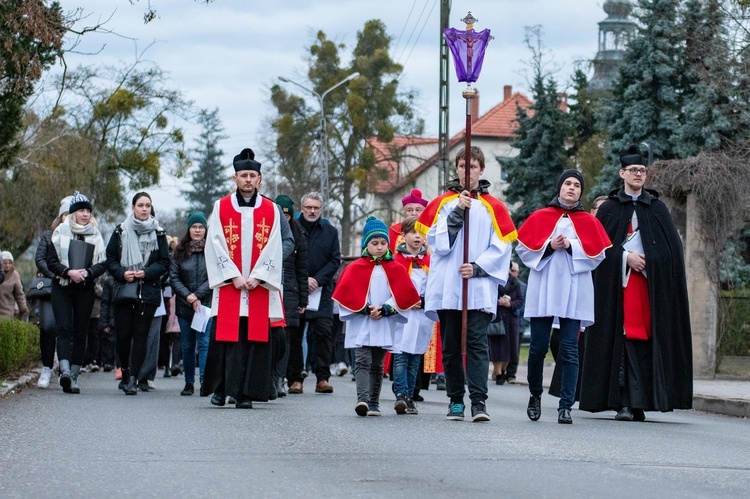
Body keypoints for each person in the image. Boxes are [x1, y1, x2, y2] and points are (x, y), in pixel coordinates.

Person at [579, 146, 693, 421]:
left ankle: (641, 401)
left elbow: (672, 252)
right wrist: (625, 257)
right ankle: (623, 403)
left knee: (643, 340)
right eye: (633, 170)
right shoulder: (608, 209)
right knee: (622, 339)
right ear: (622, 173)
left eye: (642, 170)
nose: (639, 174)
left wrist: (650, 261)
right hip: (617, 290)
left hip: (647, 289)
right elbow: (599, 249)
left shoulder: (657, 209)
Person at [417, 146, 517, 422]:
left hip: (477, 287)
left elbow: (502, 247)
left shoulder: (493, 207)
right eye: (462, 166)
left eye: (473, 167)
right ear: (457, 169)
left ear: (481, 169)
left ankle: (479, 401)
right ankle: (455, 400)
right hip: (449, 285)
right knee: (450, 346)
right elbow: (438, 244)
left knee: (476, 344)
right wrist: (457, 213)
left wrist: (477, 267)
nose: (467, 171)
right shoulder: (443, 204)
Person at [515, 170, 611, 424]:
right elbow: (523, 250)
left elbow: (598, 256)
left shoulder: (589, 221)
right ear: (559, 188)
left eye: (577, 185)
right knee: (537, 349)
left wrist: (571, 246)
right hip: (544, 286)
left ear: (581, 191)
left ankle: (565, 405)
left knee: (569, 350)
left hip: (575, 288)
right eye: (567, 183)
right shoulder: (541, 216)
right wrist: (549, 246)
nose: (572, 188)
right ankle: (535, 394)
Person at [201, 148, 293, 409]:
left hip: (258, 287)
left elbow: (277, 245)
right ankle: (221, 389)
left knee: (254, 341)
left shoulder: (272, 210)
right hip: (231, 285)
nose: (248, 180)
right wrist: (232, 276)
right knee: (226, 339)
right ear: (235, 179)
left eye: (253, 175)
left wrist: (259, 276)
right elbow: (214, 243)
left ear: (260, 179)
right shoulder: (221, 207)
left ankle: (245, 394)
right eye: (244, 175)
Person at [333, 216, 420, 417]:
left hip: (384, 321)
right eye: (375, 243)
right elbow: (347, 294)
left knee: (377, 363)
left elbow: (402, 294)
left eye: (383, 243)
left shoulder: (396, 268)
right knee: (362, 360)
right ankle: (362, 399)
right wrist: (365, 309)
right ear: (366, 244)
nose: (379, 247)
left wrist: (387, 309)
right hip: (362, 321)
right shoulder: (355, 267)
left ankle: (374, 402)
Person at [105, 192, 170, 396]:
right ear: (133, 207)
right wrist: (123, 273)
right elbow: (110, 259)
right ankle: (124, 371)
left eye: (148, 206)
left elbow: (165, 262)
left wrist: (147, 272)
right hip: (125, 290)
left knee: (141, 336)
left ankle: (134, 378)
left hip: (148, 292)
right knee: (124, 336)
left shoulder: (159, 233)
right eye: (140, 205)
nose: (144, 209)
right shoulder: (120, 231)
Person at [47, 192, 108, 393]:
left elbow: (102, 264)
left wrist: (88, 272)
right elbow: (51, 261)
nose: (85, 214)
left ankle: (73, 377)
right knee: (64, 329)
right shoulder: (59, 232)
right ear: (72, 212)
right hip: (63, 286)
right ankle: (64, 371)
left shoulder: (96, 235)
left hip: (85, 288)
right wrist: (68, 272)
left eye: (88, 211)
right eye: (81, 210)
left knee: (81, 332)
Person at [287, 191, 341, 395]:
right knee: (294, 334)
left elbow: (335, 260)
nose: (312, 211)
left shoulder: (330, 231)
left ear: (321, 209)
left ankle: (322, 378)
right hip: (296, 289)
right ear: (302, 208)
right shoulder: (292, 228)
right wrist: (303, 281)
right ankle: (294, 378)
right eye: (308, 207)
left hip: (322, 291)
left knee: (323, 333)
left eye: (316, 208)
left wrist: (317, 279)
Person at [391, 216, 436, 415]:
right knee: (401, 356)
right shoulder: (397, 260)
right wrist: (408, 301)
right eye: (413, 233)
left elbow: (435, 287)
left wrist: (424, 302)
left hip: (422, 316)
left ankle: (409, 395)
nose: (417, 237)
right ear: (404, 235)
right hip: (403, 314)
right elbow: (392, 286)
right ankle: (400, 394)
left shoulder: (430, 260)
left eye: (421, 233)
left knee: (415, 357)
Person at [169, 211, 212, 396]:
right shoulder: (179, 252)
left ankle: (204, 381)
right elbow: (174, 277)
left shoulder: (212, 250)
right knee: (187, 345)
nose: (197, 230)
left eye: (201, 227)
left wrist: (198, 296)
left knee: (204, 344)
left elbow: (214, 277)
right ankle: (188, 382)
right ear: (189, 229)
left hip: (205, 305)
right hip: (185, 305)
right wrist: (189, 296)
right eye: (194, 227)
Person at [34, 197, 72, 388]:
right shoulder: (48, 236)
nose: (68, 218)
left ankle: (66, 369)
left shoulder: (82, 236)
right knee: (48, 327)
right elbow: (40, 259)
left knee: (68, 330)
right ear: (60, 216)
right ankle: (47, 366)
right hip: (52, 286)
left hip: (73, 288)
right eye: (66, 214)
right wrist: (56, 274)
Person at [272, 194, 308, 397]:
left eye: (286, 215)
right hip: (270, 287)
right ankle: (268, 377)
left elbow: (302, 269)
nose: (283, 218)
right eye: (280, 214)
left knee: (285, 339)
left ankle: (280, 378)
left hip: (290, 292)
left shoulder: (298, 235)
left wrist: (303, 298)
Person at [488, 262, 524, 385]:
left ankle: (503, 370)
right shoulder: (494, 279)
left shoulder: (515, 282)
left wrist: (510, 304)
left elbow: (520, 300)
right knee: (497, 348)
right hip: (497, 319)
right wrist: (498, 302)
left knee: (510, 349)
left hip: (511, 319)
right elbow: (488, 295)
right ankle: (498, 373)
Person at [0, 251, 28, 319]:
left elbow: (19, 294)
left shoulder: (15, 275)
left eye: (9, 263)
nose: (7, 265)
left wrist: (23, 308)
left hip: (8, 312)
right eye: (5, 263)